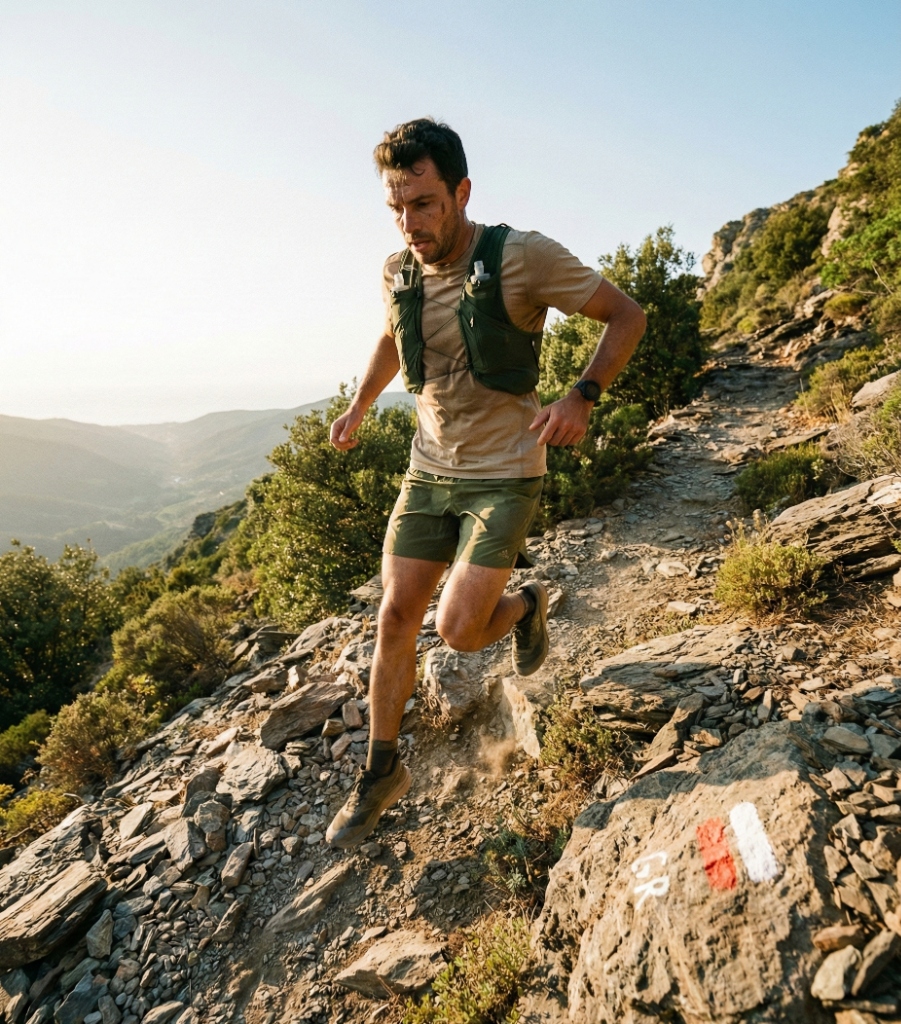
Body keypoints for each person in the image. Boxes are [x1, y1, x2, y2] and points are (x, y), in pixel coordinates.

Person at [325, 118, 645, 849]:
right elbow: (389, 335)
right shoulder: (397, 269)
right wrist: (361, 402)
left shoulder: (521, 257)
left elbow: (625, 314)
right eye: (397, 207)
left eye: (425, 204)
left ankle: (528, 601)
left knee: (459, 630)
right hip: (428, 469)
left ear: (461, 191)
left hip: (504, 471)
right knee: (394, 619)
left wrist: (580, 397)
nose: (410, 223)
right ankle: (380, 772)